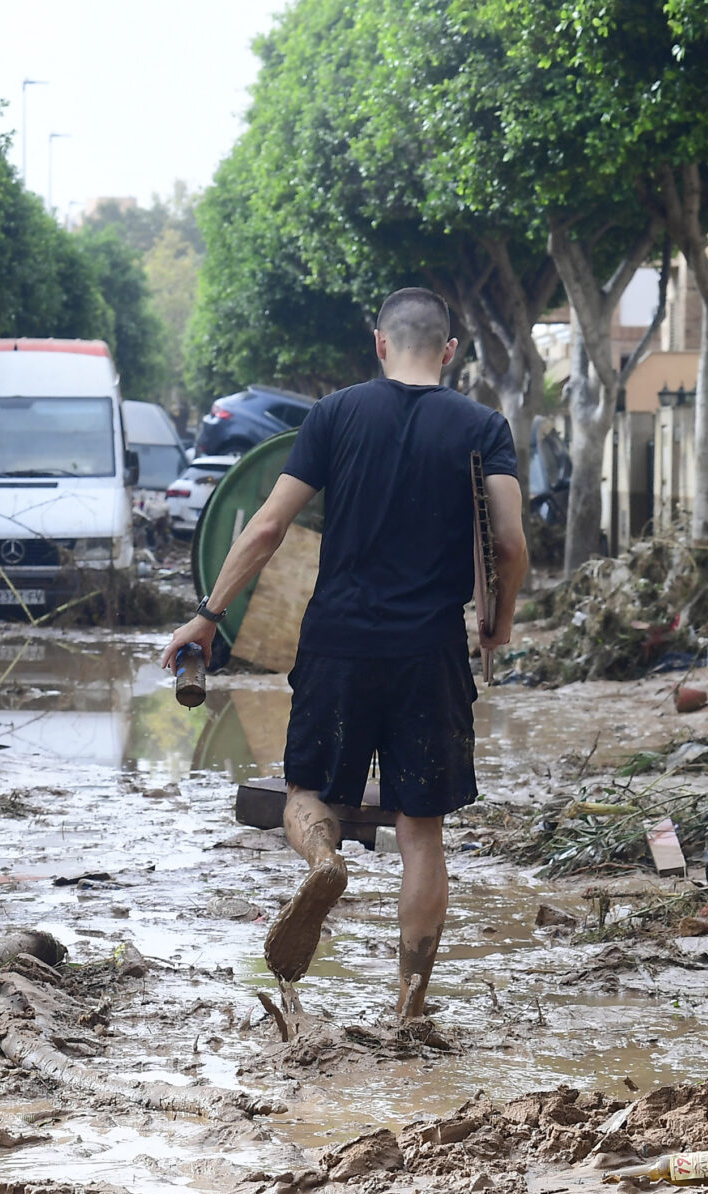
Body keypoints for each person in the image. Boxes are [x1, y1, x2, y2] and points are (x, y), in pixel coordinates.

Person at [161, 288, 528, 1021]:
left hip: (337, 643)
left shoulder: (334, 414)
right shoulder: (483, 426)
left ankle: (324, 861)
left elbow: (267, 527)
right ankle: (409, 1006)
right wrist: (499, 622)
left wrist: (208, 616)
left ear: (380, 343)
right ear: (450, 351)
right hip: (430, 651)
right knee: (421, 828)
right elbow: (512, 544)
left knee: (307, 794)